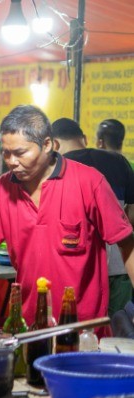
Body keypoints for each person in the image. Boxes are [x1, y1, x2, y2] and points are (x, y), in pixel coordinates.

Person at [0, 105, 134, 332]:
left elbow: (126, 242)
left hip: (84, 329)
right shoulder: (1, 190)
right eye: (6, 153)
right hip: (30, 327)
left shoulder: (89, 182)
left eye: (20, 153)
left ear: (48, 145)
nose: (11, 161)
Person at [52, 118, 134, 316]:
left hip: (80, 271)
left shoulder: (58, 170)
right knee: (118, 332)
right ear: (85, 138)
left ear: (53, 144)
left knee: (83, 331)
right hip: (121, 266)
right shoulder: (119, 161)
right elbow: (131, 214)